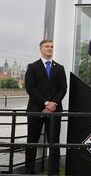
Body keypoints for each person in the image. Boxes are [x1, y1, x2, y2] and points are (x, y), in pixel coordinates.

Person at [25, 38, 67, 175]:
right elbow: (30, 88)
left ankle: (54, 172)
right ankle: (29, 171)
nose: (49, 48)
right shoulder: (32, 67)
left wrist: (52, 104)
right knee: (32, 142)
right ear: (41, 49)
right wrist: (46, 103)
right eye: (47, 46)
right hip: (36, 110)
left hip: (54, 111)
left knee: (54, 143)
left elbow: (63, 88)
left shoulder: (59, 68)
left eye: (51, 47)